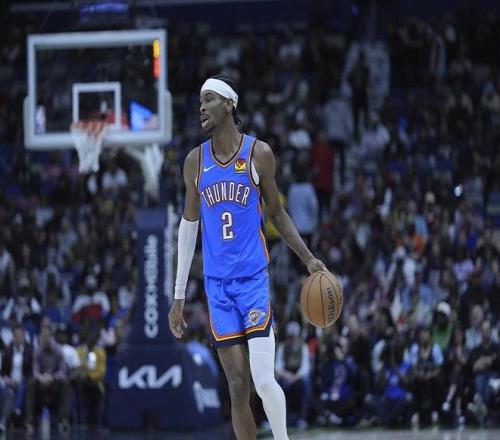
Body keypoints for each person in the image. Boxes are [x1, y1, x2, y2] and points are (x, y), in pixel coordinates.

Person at [168, 73, 326, 440]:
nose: (201, 107)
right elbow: (188, 227)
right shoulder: (194, 161)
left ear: (229, 104)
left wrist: (308, 259)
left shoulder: (259, 154)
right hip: (217, 288)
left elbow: (277, 215)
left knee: (263, 379)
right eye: (200, 101)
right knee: (238, 388)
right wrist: (178, 295)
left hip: (253, 281)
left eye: (209, 100)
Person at [26, 324, 70, 436]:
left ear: (51, 337)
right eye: (43, 336)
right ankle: (29, 420)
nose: (45, 339)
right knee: (31, 382)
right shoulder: (37, 351)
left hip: (54, 382)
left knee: (65, 382)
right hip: (41, 382)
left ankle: (64, 420)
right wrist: (41, 377)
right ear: (40, 337)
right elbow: (35, 371)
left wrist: (53, 377)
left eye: (47, 336)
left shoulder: (58, 351)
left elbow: (63, 370)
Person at [0, 324, 33, 434]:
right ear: (13, 337)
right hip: (10, 381)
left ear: (24, 336)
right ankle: (3, 422)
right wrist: (8, 380)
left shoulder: (29, 351)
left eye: (20, 335)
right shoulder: (7, 351)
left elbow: (31, 371)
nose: (18, 338)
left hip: (23, 380)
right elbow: (3, 371)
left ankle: (17, 411)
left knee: (22, 387)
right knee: (8, 393)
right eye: (16, 336)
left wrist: (21, 380)